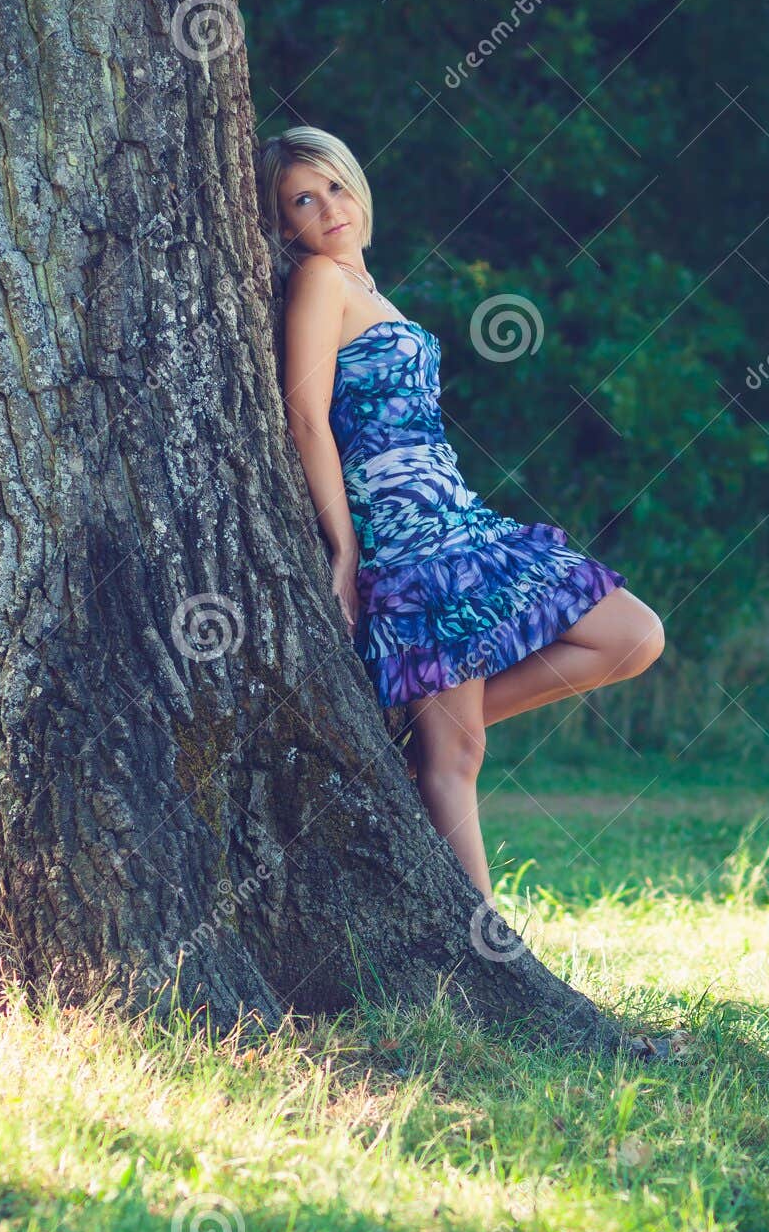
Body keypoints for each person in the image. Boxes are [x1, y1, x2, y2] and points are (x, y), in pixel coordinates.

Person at [257, 125, 664, 901]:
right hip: (407, 543)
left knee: (633, 636)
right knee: (455, 763)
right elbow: (305, 416)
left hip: (460, 522)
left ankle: (410, 730)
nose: (328, 208)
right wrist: (344, 552)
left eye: (336, 186)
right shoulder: (318, 280)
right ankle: (489, 949)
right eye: (302, 201)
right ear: (283, 225)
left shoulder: (369, 288)